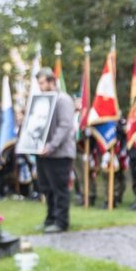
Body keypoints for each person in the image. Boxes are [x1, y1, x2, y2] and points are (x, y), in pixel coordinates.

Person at [35, 68, 75, 233]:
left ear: (52, 81)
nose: (40, 86)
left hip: (59, 154)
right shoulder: (42, 100)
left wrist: (51, 146)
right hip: (43, 153)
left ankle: (61, 222)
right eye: (39, 83)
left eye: (43, 82)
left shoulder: (63, 100)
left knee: (59, 189)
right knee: (47, 189)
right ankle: (50, 218)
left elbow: (65, 126)